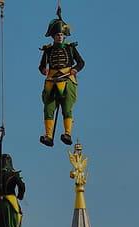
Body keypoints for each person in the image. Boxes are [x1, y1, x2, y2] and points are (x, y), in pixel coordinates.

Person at [39, 17, 84, 147]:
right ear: (53, 36)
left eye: (61, 35)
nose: (60, 37)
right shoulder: (48, 50)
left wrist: (75, 69)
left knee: (67, 107)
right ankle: (48, 136)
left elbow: (81, 62)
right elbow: (41, 66)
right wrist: (43, 70)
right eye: (57, 35)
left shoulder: (70, 48)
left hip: (67, 80)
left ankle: (67, 134)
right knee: (48, 108)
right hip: (51, 82)